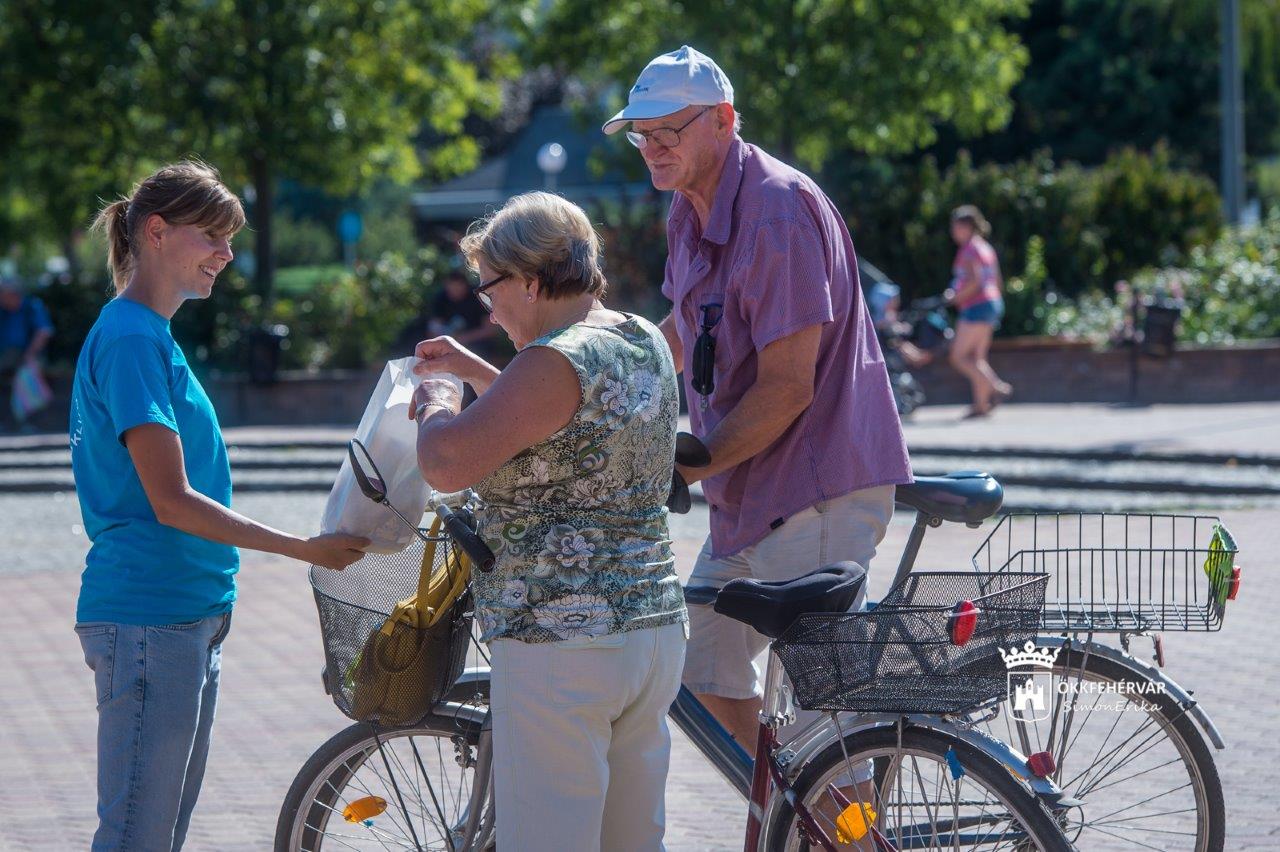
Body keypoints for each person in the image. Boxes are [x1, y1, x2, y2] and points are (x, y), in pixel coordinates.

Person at [602, 46, 913, 749]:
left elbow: (785, 388)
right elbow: (684, 327)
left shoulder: (775, 210)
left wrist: (680, 468)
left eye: (667, 132)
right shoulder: (690, 205)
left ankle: (839, 823)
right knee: (696, 672)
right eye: (639, 136)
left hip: (815, 491)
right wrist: (598, 383)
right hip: (751, 497)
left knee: (826, 732)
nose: (651, 148)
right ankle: (797, 813)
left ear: (723, 120)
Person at [71, 161, 368, 851]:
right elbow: (171, 501)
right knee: (137, 838)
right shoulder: (132, 338)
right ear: (156, 232)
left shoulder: (148, 335)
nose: (228, 255)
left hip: (179, 616)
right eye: (212, 235)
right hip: (152, 617)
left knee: (154, 835)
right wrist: (304, 548)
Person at [408, 191, 687, 851]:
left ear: (531, 281)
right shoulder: (639, 336)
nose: (490, 306)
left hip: (562, 639)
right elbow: (565, 419)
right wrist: (476, 370)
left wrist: (441, 400)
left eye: (491, 288)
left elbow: (446, 463)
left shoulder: (552, 361)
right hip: (648, 631)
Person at [945, 204, 1013, 417]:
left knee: (958, 357)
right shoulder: (985, 247)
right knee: (977, 358)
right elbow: (997, 280)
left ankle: (996, 386)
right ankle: (981, 406)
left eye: (955, 227)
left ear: (966, 227)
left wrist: (955, 298)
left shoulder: (969, 249)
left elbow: (975, 282)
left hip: (976, 306)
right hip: (992, 303)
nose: (953, 232)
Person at [0, 276, 55, 429]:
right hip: (7, 358)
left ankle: (27, 423)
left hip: (29, 357)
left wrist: (29, 355)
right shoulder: (3, 310)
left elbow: (44, 332)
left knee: (23, 377)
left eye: (2, 296)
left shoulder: (31, 306)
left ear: (13, 295)